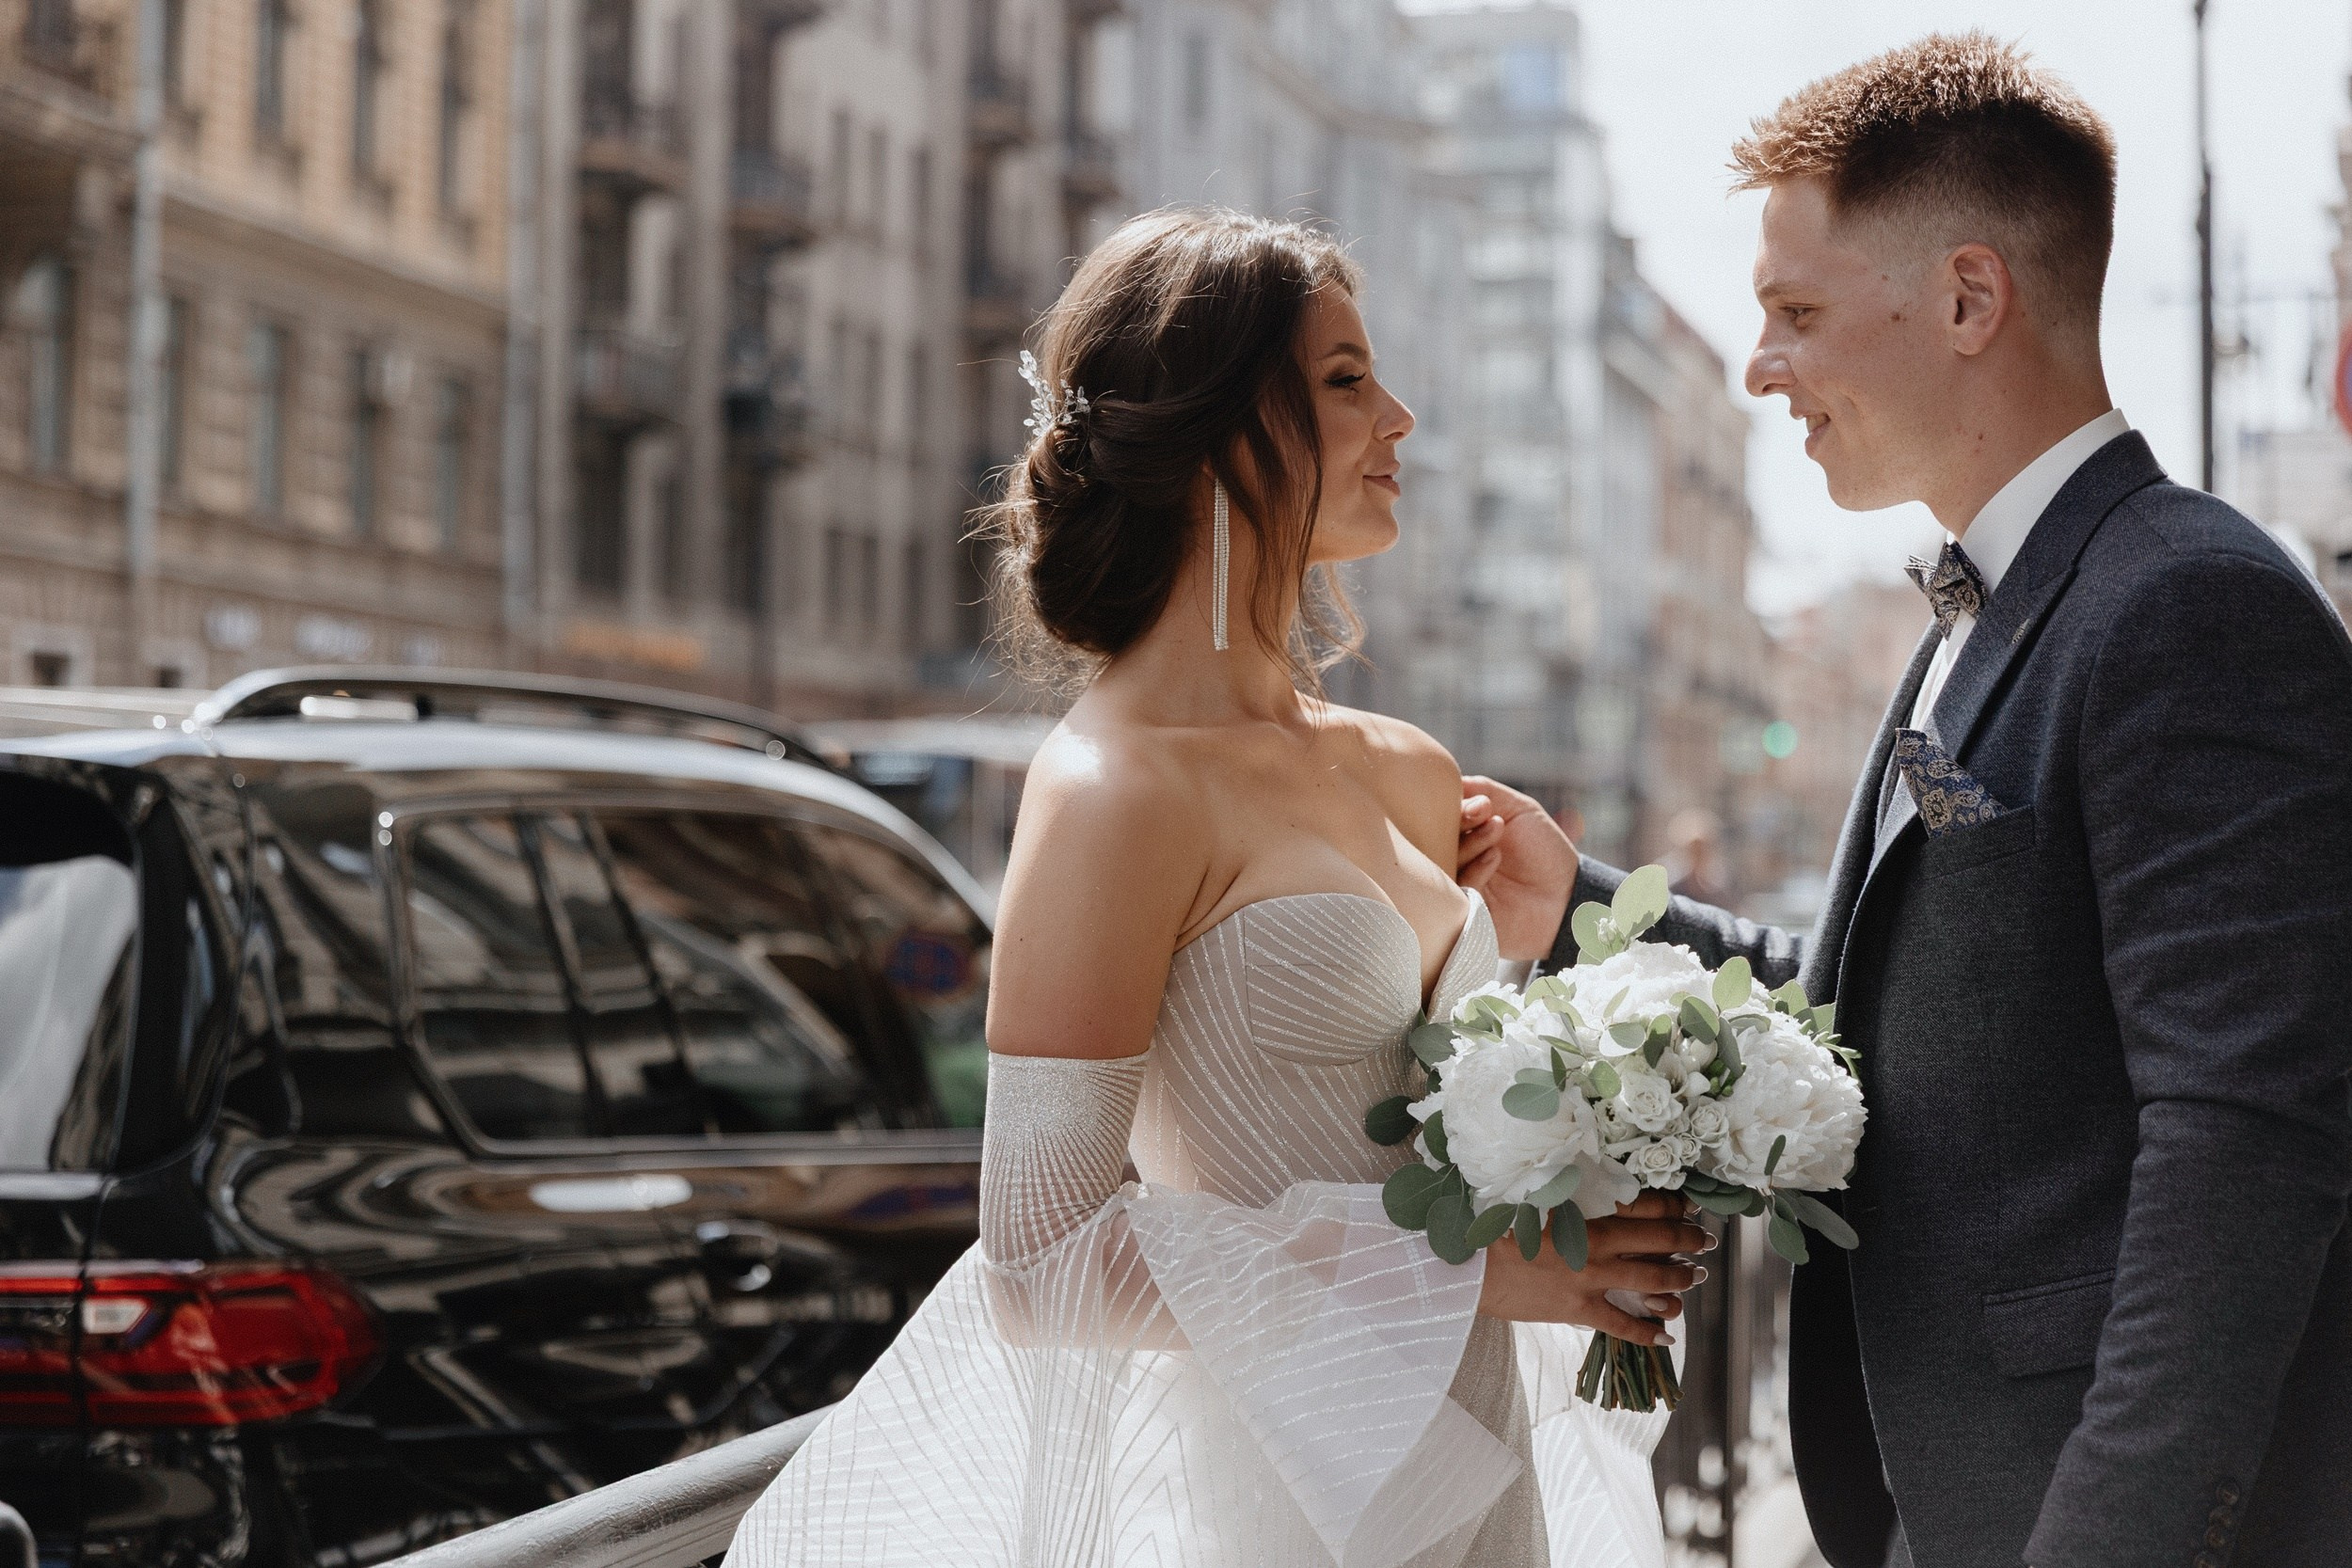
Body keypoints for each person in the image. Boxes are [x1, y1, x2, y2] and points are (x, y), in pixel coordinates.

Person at [1463, 34, 2352, 1568]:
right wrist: (1579, 908)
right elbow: (1885, 1013)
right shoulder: (1983, 608)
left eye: (1795, 313)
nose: (1760, 368)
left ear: (1965, 298)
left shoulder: (2189, 603)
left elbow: (2247, 1148)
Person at [726, 208, 1711, 1568]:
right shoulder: (1110, 792)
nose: (1404, 417)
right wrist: (1484, 1269)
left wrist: (1539, 980)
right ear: (1210, 430)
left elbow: (1426, 1131)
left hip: (1480, 1468)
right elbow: (1037, 1268)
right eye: (1349, 381)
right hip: (1277, 1502)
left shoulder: (1413, 770)